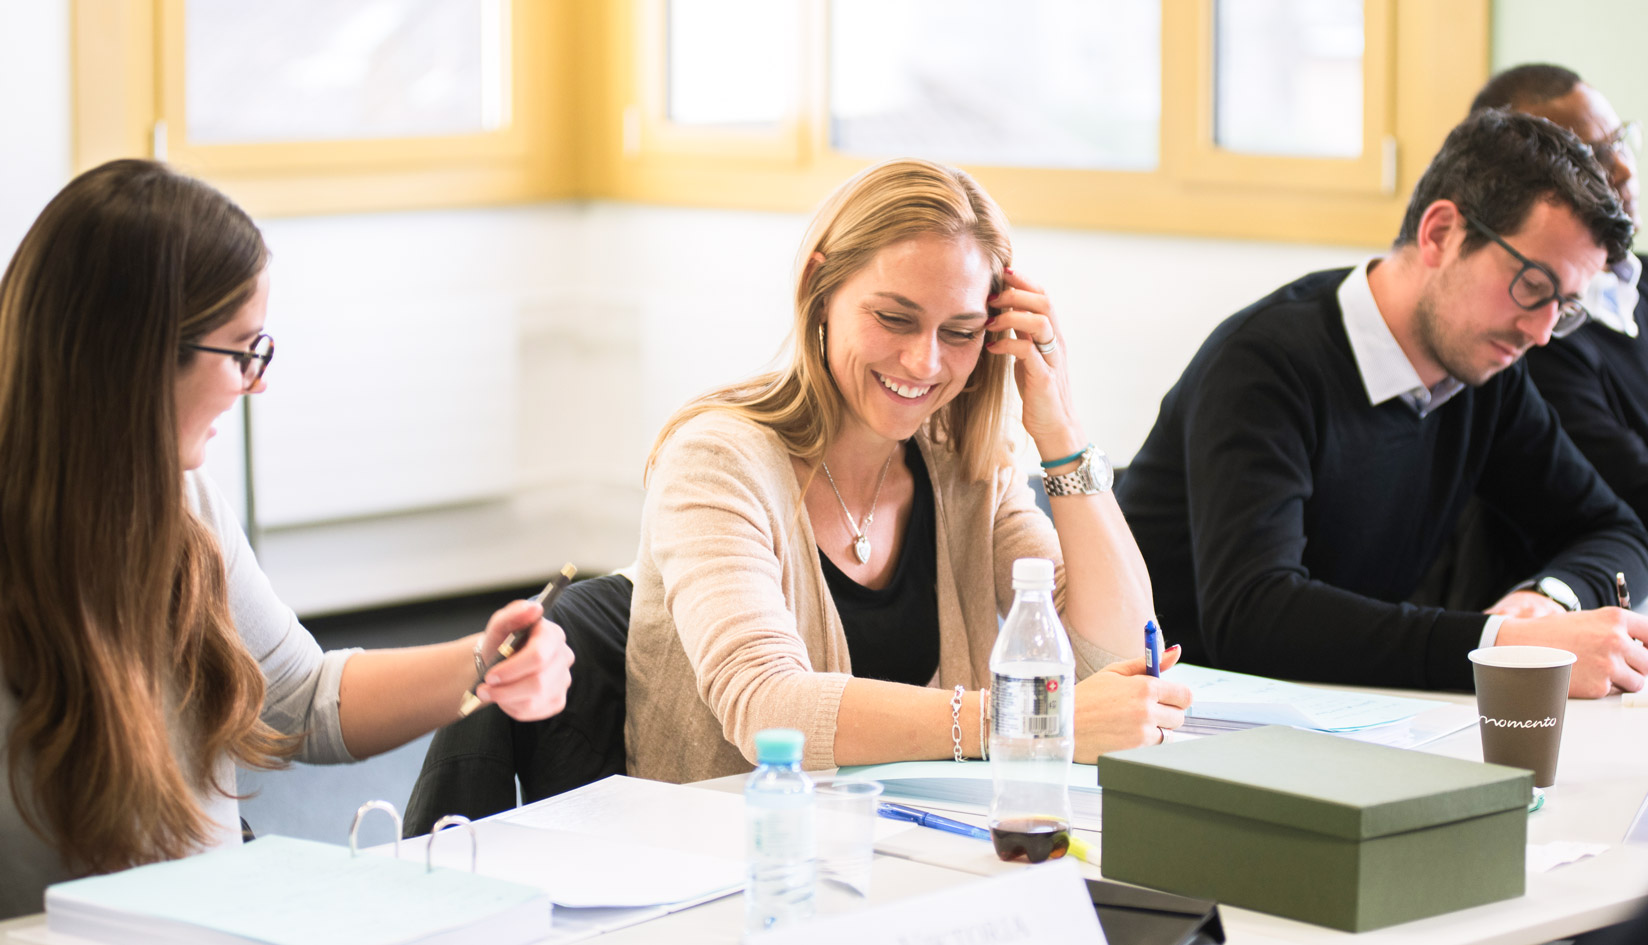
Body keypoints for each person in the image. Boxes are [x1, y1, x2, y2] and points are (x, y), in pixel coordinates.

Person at [0, 160, 575, 918]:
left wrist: (482, 660)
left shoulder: (185, 504)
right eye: (240, 351)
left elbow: (300, 699)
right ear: (136, 357)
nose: (255, 382)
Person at [625, 158, 1191, 783]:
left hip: (921, 847)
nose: (924, 361)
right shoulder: (715, 462)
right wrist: (1027, 718)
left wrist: (1061, 432)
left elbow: (1111, 656)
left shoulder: (962, 466)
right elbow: (766, 706)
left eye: (960, 331)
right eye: (894, 318)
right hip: (742, 856)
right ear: (820, 290)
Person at [1115, 109, 1648, 697]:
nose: (1539, 331)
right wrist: (1501, 647)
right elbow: (1254, 616)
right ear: (1439, 234)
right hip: (1179, 722)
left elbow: (1616, 530)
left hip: (1340, 714)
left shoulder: (1483, 372)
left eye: (1566, 307)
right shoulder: (1264, 365)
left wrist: (1548, 600)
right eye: (1532, 286)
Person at [1471, 65, 1648, 586]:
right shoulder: (1538, 339)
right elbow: (1646, 503)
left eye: (1620, 142)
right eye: (1592, 159)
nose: (1625, 171)